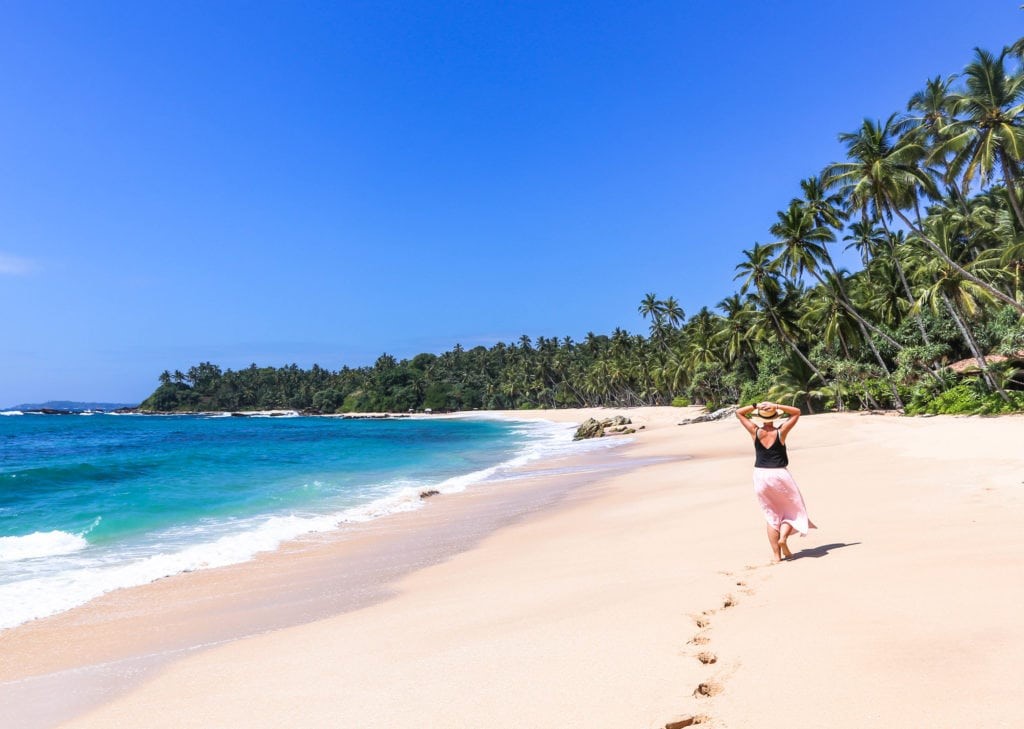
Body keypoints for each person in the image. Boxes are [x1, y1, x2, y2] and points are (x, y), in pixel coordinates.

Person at [735, 401, 816, 563]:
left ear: (760, 418)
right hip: (779, 474)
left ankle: (776, 556)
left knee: (771, 515)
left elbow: (739, 413)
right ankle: (783, 537)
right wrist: (776, 406)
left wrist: (756, 406)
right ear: (774, 417)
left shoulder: (755, 431)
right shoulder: (781, 432)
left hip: (760, 475)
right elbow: (796, 412)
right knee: (793, 511)